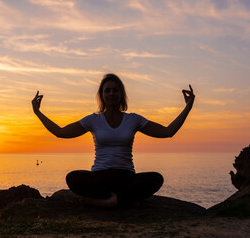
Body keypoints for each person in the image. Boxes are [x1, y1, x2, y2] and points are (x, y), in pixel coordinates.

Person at [32, 73, 195, 208]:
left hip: (126, 177)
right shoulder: (93, 120)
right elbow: (60, 132)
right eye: (107, 90)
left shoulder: (134, 119)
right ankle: (124, 201)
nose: (111, 93)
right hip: (99, 178)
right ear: (102, 95)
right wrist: (38, 113)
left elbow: (168, 131)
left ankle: (106, 203)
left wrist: (187, 107)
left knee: (156, 178)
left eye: (115, 90)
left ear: (121, 95)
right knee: (72, 178)